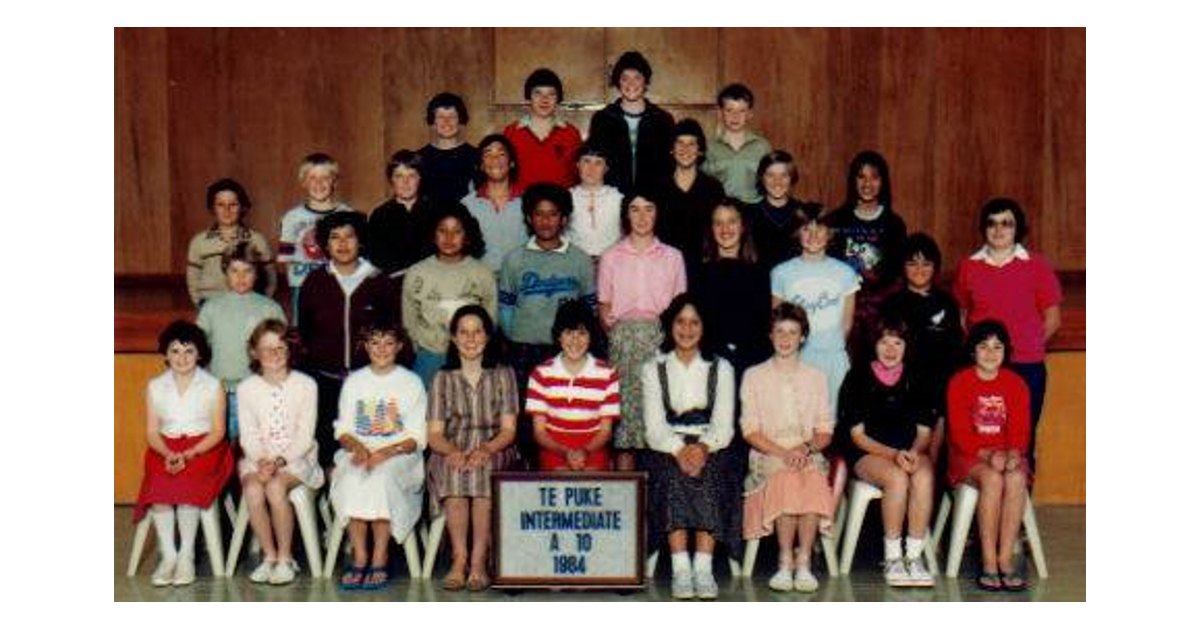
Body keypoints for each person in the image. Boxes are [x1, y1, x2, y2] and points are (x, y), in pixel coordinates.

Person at [642, 294, 740, 600]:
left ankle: (703, 566)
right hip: (666, 445)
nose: (686, 329)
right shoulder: (653, 367)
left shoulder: (721, 367)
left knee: (709, 473)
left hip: (711, 444)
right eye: (680, 322)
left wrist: (702, 448)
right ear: (670, 326)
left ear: (704, 327)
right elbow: (654, 427)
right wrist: (678, 449)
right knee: (672, 475)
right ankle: (681, 567)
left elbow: (724, 425)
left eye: (694, 322)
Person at [953, 198, 1061, 473]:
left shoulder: (1037, 265)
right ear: (983, 228)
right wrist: (983, 354)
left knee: (1020, 441)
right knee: (980, 437)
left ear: (1018, 229)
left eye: (1006, 223)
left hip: (1026, 366)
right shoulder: (968, 266)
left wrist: (1027, 347)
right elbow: (964, 316)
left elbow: (1053, 319)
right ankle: (982, 510)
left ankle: (1017, 509)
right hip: (981, 367)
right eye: (992, 223)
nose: (999, 230)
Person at [740, 304, 835, 593]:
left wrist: (804, 448)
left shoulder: (816, 377)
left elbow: (825, 430)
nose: (785, 338)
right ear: (770, 335)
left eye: (793, 332)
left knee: (812, 475)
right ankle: (784, 560)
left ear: (803, 337)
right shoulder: (754, 375)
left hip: (806, 450)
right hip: (768, 452)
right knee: (786, 474)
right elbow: (750, 430)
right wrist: (783, 453)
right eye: (779, 331)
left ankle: (803, 560)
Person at [836, 318, 937, 587]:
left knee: (924, 475)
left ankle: (913, 557)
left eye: (897, 342)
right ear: (874, 345)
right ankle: (893, 556)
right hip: (869, 451)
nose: (890, 349)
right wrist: (894, 455)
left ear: (907, 346)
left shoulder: (917, 376)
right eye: (884, 341)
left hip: (907, 450)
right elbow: (857, 436)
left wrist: (914, 453)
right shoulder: (857, 376)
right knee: (897, 478)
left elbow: (924, 433)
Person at [133, 321, 234, 587]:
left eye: (189, 351)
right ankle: (169, 556)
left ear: (200, 353)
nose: (181, 357)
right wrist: (167, 453)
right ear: (165, 354)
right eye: (175, 351)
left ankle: (187, 555)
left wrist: (189, 454)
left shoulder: (213, 385)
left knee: (188, 484)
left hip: (205, 448)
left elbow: (218, 431)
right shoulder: (155, 386)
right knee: (159, 484)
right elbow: (152, 432)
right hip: (164, 446)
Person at [426, 306, 519, 591]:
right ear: (453, 338)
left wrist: (486, 450)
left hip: (495, 446)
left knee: (482, 472)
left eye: (477, 331)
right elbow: (435, 435)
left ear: (488, 336)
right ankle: (459, 559)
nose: (470, 339)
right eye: (463, 332)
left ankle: (479, 562)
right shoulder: (442, 377)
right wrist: (453, 451)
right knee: (455, 472)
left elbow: (508, 430)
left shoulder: (504, 374)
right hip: (451, 447)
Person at [296, 211, 398, 468]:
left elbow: (393, 332)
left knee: (369, 450)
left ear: (360, 240)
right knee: (328, 450)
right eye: (335, 237)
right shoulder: (314, 282)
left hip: (370, 383)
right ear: (325, 244)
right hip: (326, 383)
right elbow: (305, 332)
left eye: (349, 236)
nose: (343, 244)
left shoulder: (379, 281)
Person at [330, 322, 427, 591]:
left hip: (400, 454)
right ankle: (360, 556)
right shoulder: (355, 381)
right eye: (375, 342)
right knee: (353, 477)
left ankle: (380, 555)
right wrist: (359, 448)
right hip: (359, 449)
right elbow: (344, 429)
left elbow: (416, 437)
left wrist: (385, 452)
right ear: (365, 346)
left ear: (399, 346)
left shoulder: (411, 382)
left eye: (388, 342)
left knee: (381, 478)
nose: (381, 349)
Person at [597, 188, 687, 471]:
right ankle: (626, 501)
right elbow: (604, 306)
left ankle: (657, 504)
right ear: (626, 215)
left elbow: (680, 308)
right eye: (635, 209)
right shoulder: (611, 256)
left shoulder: (672, 256)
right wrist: (620, 338)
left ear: (658, 214)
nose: (642, 216)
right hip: (623, 343)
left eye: (649, 208)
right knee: (625, 427)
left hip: (660, 340)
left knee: (659, 419)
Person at [946, 320, 1032, 592]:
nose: (991, 353)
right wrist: (987, 454)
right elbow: (959, 433)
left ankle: (1005, 559)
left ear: (1006, 351)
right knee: (993, 479)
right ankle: (988, 561)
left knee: (1016, 479)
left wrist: (1013, 454)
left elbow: (1020, 430)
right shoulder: (960, 382)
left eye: (998, 347)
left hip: (1006, 454)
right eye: (983, 347)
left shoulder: (1016, 383)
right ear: (973, 351)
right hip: (968, 456)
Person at [235, 319, 323, 585]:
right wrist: (262, 460)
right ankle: (269, 556)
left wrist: (280, 461)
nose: (274, 355)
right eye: (267, 349)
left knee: (274, 487)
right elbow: (248, 433)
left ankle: (286, 558)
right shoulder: (247, 388)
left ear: (290, 350)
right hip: (258, 458)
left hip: (297, 458)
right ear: (254, 352)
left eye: (281, 348)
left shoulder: (306, 385)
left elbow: (305, 435)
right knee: (252, 489)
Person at [881, 233, 964, 467]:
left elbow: (956, 347)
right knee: (907, 447)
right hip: (903, 388)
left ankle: (932, 499)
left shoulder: (947, 303)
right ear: (902, 267)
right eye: (912, 263)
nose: (919, 269)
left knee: (935, 451)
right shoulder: (892, 304)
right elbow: (884, 349)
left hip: (940, 388)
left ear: (935, 267)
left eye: (926, 263)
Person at [770, 206, 859, 420]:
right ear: (797, 233)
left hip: (832, 357)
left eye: (820, 229)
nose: (813, 236)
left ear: (829, 234)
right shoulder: (782, 273)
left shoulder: (845, 273)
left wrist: (831, 349)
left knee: (831, 422)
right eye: (806, 230)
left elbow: (846, 324)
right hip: (796, 357)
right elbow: (777, 321)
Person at [196, 243, 287, 439]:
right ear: (225, 272)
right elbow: (198, 350)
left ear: (257, 274)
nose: (241, 277)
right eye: (234, 270)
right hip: (219, 390)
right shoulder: (211, 308)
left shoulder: (270, 308)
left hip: (257, 389)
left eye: (248, 271)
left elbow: (282, 351)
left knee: (254, 444)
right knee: (221, 444)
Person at [402, 203, 497, 387]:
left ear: (467, 236)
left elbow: (490, 322)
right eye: (442, 231)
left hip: (471, 358)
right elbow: (409, 323)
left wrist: (474, 352)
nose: (449, 238)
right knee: (428, 413)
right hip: (429, 358)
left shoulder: (482, 273)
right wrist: (421, 353)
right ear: (433, 235)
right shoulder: (417, 273)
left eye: (457, 231)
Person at [828, 151, 908, 363]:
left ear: (883, 182)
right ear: (853, 181)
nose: (867, 183)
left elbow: (898, 277)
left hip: (879, 314)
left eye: (874, 177)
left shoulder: (894, 224)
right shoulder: (836, 220)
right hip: (843, 312)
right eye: (861, 176)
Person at [524, 299, 620, 471]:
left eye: (582, 333)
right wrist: (565, 452)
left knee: (592, 480)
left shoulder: (608, 374)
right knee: (560, 478)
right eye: (568, 332)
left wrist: (584, 451)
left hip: (594, 449)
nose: (575, 340)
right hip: (553, 450)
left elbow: (605, 432)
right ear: (558, 336)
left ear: (591, 336)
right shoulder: (540, 374)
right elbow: (539, 432)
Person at [692, 199, 772, 377]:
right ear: (711, 229)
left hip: (753, 364)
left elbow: (765, 322)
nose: (725, 229)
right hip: (710, 363)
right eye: (718, 223)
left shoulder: (761, 272)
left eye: (732, 222)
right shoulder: (699, 273)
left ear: (743, 227)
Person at [586, 50, 675, 194]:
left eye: (637, 77)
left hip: (652, 203)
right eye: (625, 78)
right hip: (613, 200)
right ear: (618, 82)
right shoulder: (603, 119)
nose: (631, 83)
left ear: (645, 81)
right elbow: (593, 164)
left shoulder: (662, 119)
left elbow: (671, 166)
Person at [278, 152, 356, 317]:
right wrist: (297, 282)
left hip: (340, 285)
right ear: (303, 182)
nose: (319, 183)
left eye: (325, 178)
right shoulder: (292, 218)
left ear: (334, 181)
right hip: (303, 286)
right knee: (305, 336)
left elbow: (356, 256)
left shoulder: (348, 214)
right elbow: (286, 259)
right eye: (313, 178)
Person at [186, 178, 275, 306]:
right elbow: (192, 281)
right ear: (212, 208)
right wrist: (201, 306)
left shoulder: (257, 240)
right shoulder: (199, 242)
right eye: (220, 205)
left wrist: (261, 304)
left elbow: (271, 280)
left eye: (233, 204)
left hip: (247, 304)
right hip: (211, 303)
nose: (227, 210)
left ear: (242, 207)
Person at [655, 118, 726, 273]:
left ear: (700, 150)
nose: (685, 149)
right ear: (671, 149)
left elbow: (720, 230)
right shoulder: (658, 188)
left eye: (691, 143)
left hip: (704, 267)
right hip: (664, 267)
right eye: (680, 143)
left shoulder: (713, 188)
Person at [367, 150, 437, 292]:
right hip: (394, 287)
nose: (406, 182)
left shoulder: (436, 211)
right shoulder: (380, 214)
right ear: (391, 179)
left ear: (420, 178)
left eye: (412, 175)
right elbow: (377, 258)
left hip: (432, 285)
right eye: (399, 176)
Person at [504, 68, 582, 189]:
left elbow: (579, 176)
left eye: (551, 94)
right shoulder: (511, 133)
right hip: (521, 205)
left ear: (558, 99)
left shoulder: (571, 133)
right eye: (537, 93)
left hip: (561, 205)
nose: (544, 99)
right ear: (529, 97)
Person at [463, 133, 526, 273]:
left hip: (521, 283)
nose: (495, 159)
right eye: (488, 154)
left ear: (512, 163)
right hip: (480, 283)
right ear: (481, 166)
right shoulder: (466, 205)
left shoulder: (529, 202)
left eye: (501, 154)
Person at [702, 83, 772, 205]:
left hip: (754, 209)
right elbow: (702, 184)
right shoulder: (709, 147)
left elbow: (771, 181)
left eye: (742, 111)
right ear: (720, 113)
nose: (735, 116)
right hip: (721, 212)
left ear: (750, 114)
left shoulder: (762, 146)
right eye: (729, 110)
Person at [745, 151, 810, 271]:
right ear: (762, 177)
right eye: (770, 175)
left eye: (784, 175)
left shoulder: (806, 214)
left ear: (792, 178)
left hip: (795, 283)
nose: (777, 182)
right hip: (760, 283)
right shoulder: (749, 214)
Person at [417, 93, 479, 205]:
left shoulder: (476, 156)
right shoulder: (418, 158)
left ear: (460, 120)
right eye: (441, 117)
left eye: (452, 116)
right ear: (433, 121)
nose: (447, 122)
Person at [566, 145, 623, 260]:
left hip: (613, 262)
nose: (591, 168)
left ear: (606, 168)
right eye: (586, 161)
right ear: (578, 164)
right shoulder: (566, 197)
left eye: (598, 163)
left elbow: (626, 234)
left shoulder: (618, 198)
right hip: (575, 262)